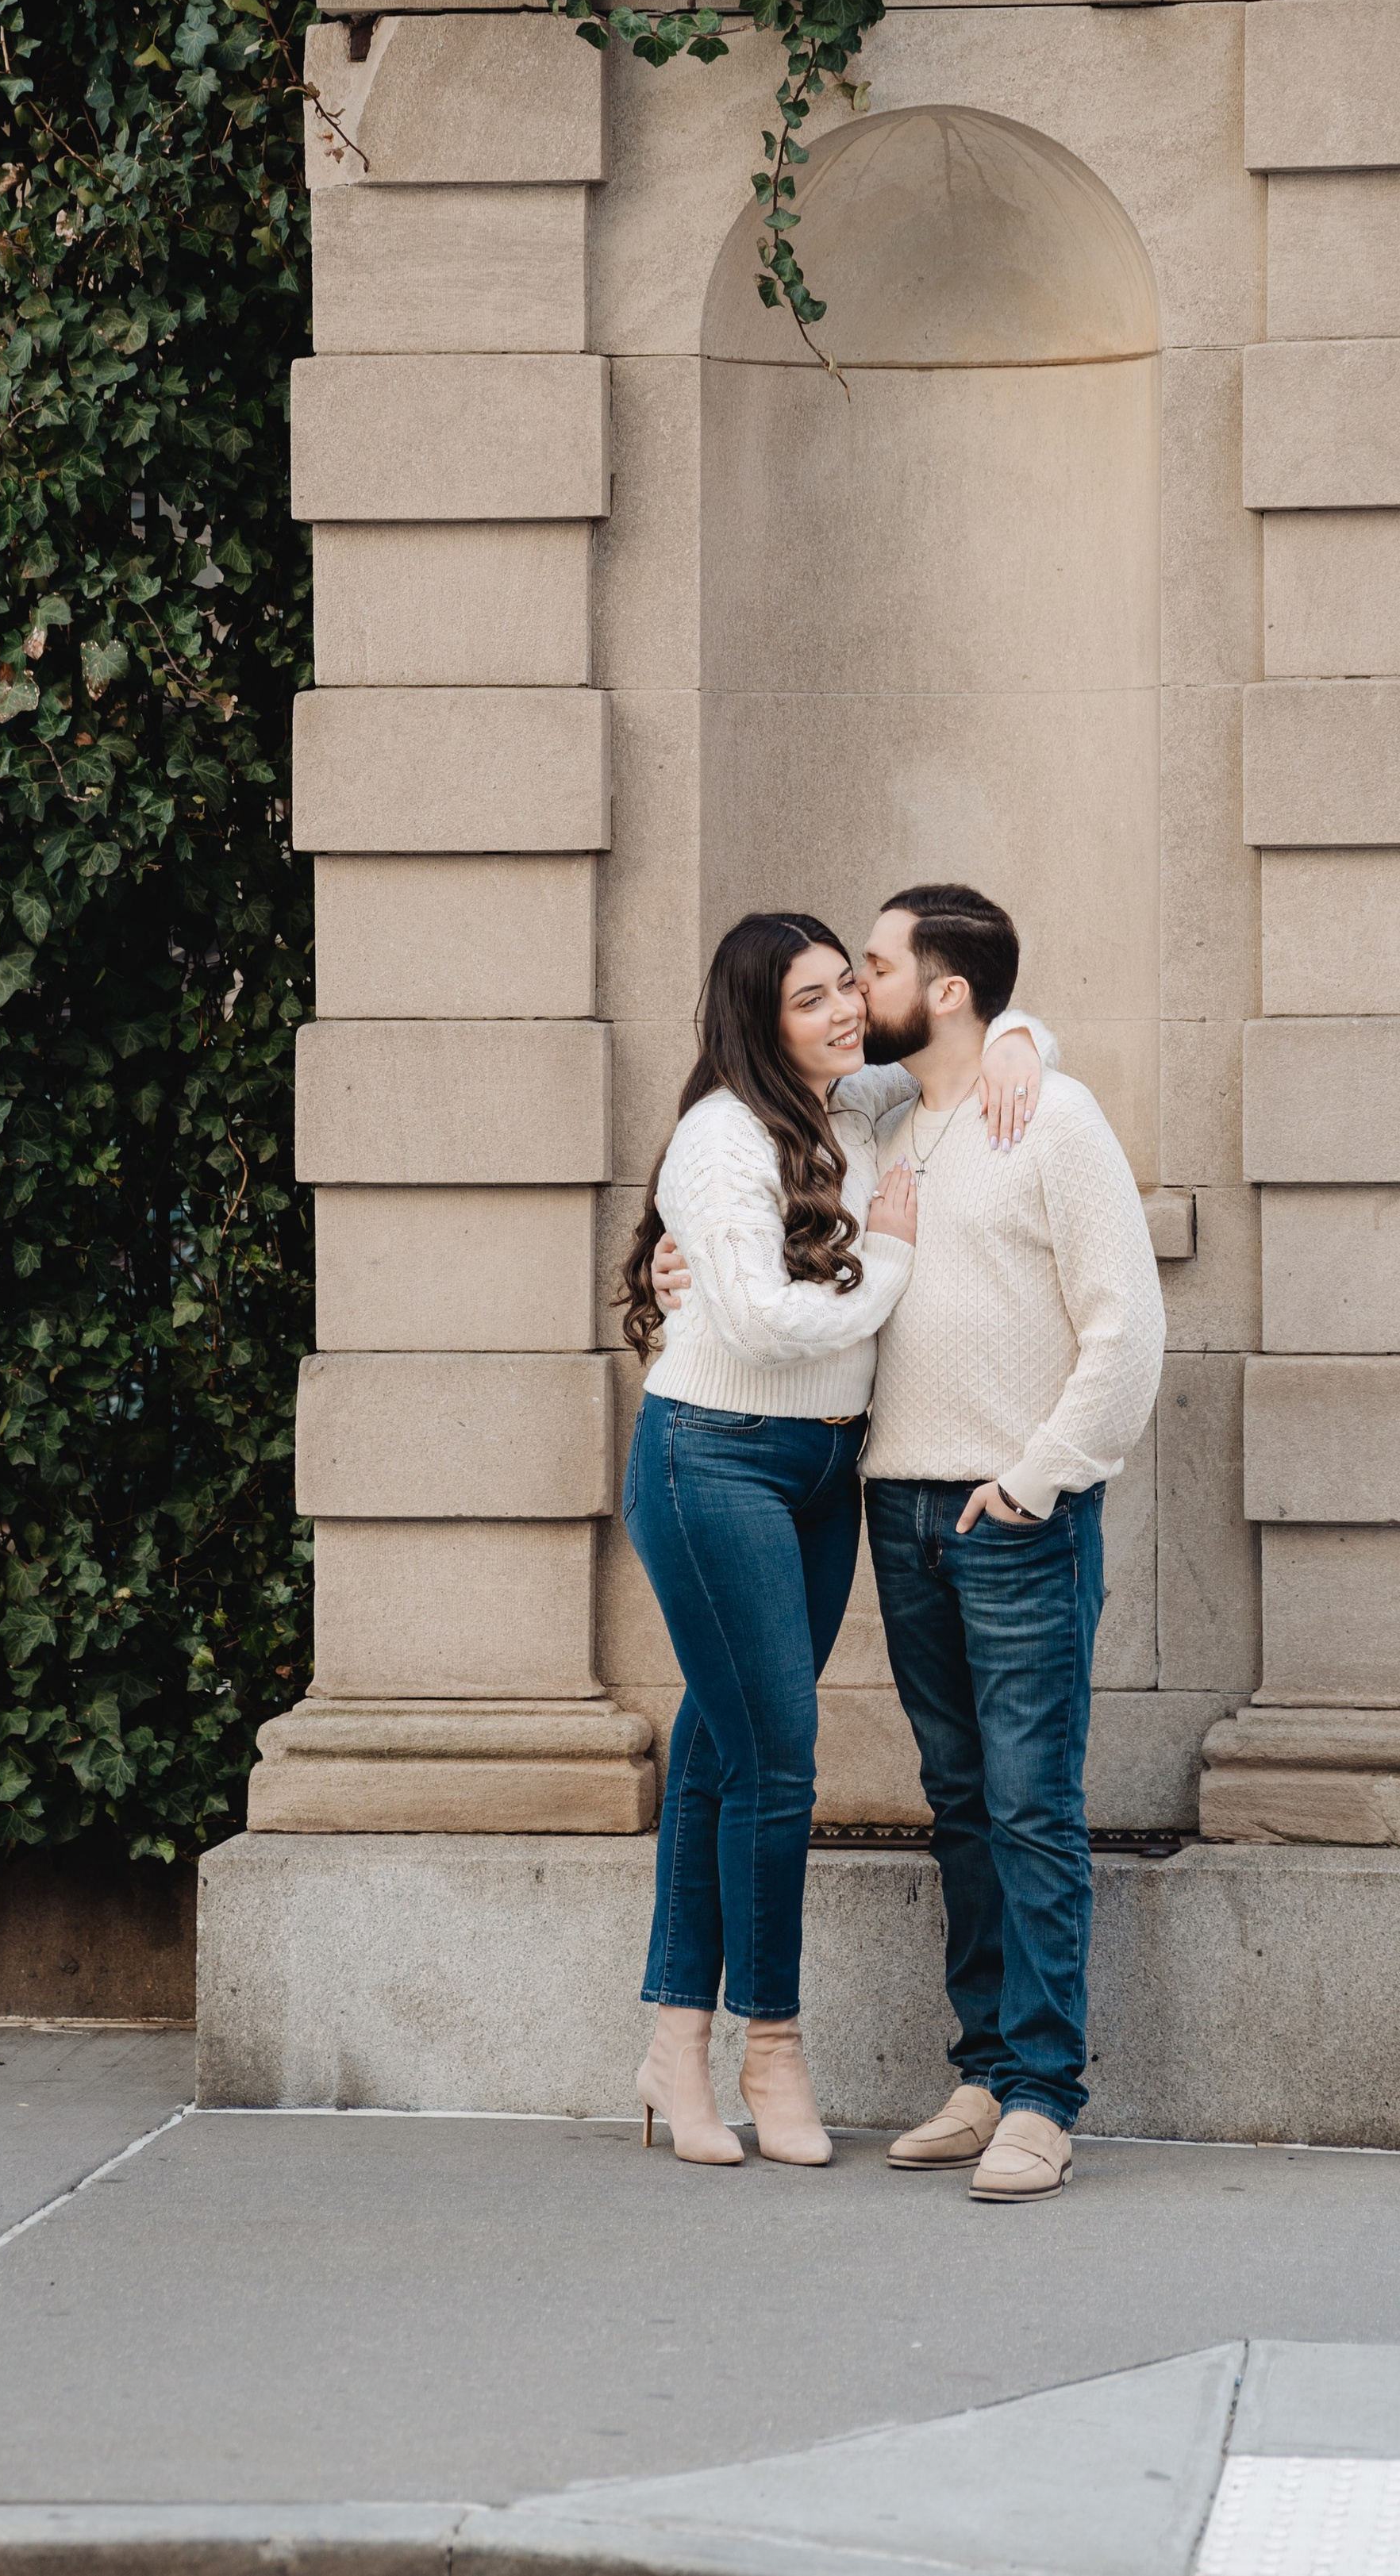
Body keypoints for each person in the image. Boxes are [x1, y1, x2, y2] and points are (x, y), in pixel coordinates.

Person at [656, 884, 1165, 2202]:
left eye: (869, 969)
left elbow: (1129, 1336)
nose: (852, 993)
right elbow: (761, 1259)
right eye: (828, 981)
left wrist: (1040, 1479)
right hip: (890, 1502)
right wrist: (704, 1263)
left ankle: (1045, 2097)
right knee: (956, 1802)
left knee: (1031, 1804)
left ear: (940, 990)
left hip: (1012, 1511)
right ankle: (987, 2069)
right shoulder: (879, 1117)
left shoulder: (1043, 1112)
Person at [615, 910, 1052, 2170]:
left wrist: (1022, 1034)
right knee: (777, 1761)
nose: (845, 1011)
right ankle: (772, 2048)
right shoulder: (719, 1136)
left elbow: (955, 1036)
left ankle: (672, 2042)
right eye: (812, 999)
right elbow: (753, 1318)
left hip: (818, 1473)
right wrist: (896, 1260)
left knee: (720, 1743)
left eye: (844, 988)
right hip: (715, 1461)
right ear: (761, 1019)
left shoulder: (850, 1103)